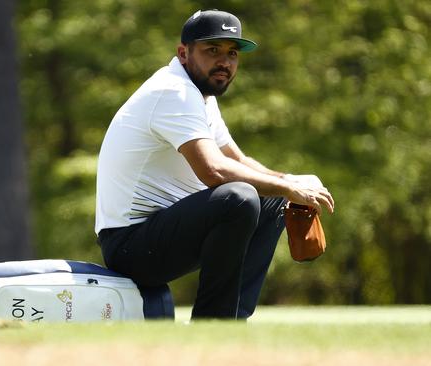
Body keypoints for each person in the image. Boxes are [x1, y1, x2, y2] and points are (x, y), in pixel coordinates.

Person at [95, 9, 334, 319]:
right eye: (213, 50)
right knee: (240, 197)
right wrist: (289, 187)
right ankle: (214, 324)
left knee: (272, 196)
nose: (225, 61)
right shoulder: (174, 92)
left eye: (232, 53)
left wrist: (292, 181)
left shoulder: (201, 95)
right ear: (183, 53)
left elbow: (238, 160)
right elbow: (214, 171)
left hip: (162, 234)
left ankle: (234, 319)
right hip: (129, 247)